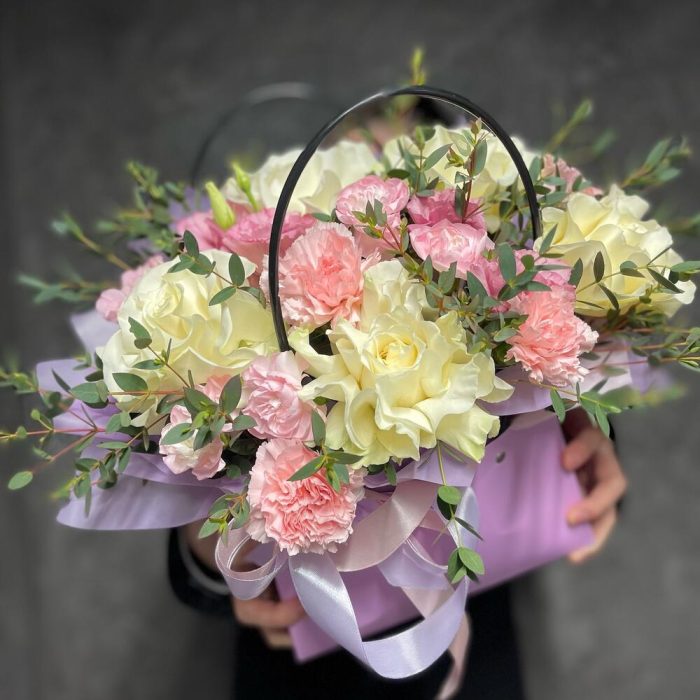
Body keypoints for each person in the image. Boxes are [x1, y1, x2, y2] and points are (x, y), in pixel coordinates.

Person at [168, 407, 627, 699]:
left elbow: (556, 398)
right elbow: (177, 485)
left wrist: (582, 440)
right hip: (299, 659)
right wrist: (226, 561)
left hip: (480, 629)